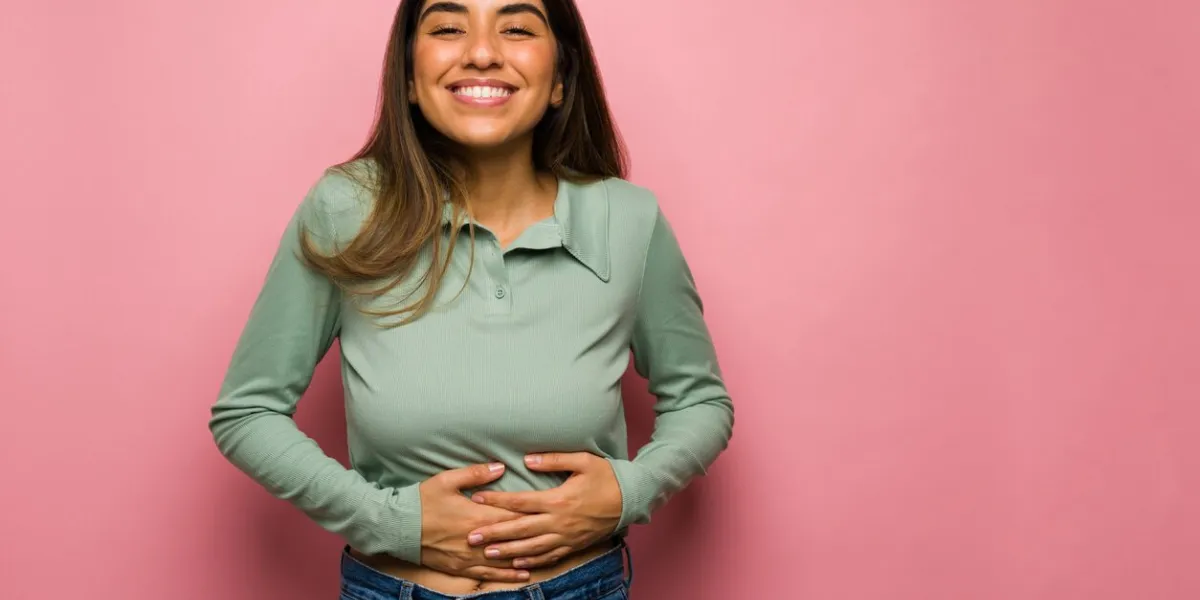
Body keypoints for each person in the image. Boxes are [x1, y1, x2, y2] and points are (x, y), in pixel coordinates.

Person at [208, 0, 734, 598]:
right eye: (449, 27)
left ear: (561, 78)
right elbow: (246, 414)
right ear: (408, 76)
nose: (482, 51)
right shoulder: (346, 208)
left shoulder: (630, 221)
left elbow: (701, 400)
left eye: (515, 28)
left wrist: (629, 492)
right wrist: (392, 520)